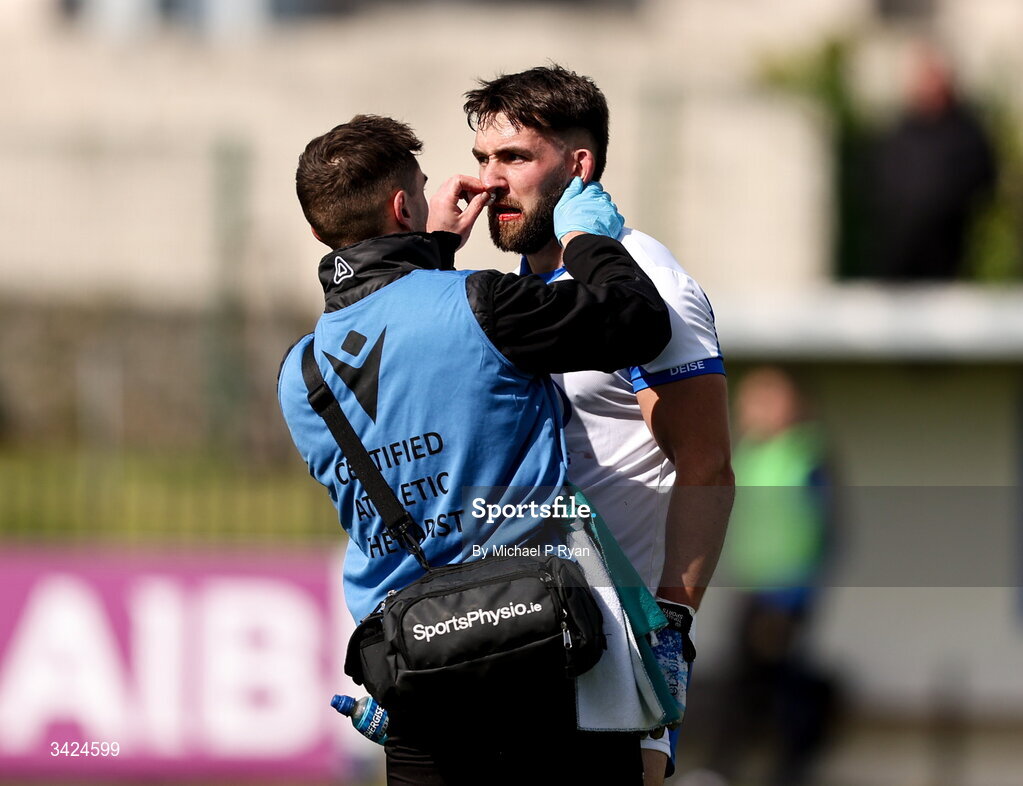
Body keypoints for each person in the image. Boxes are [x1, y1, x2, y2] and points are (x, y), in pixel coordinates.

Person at [276, 114, 672, 785]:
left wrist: (427, 250)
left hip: (416, 683)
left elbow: (400, 357)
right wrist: (586, 237)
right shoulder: (479, 302)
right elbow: (637, 320)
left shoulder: (299, 372)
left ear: (318, 233)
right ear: (404, 205)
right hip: (549, 659)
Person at [463, 65, 735, 786]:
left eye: (515, 158)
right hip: (515, 634)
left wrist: (669, 625)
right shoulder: (513, 289)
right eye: (482, 160)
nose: (491, 181)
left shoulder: (649, 284)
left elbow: (705, 463)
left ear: (578, 165)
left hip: (613, 650)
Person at [684, 366, 837, 786]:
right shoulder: (748, 452)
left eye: (764, 399)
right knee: (747, 682)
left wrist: (791, 601)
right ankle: (724, 769)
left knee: (777, 687)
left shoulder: (808, 454)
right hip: (752, 589)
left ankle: (784, 770)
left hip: (784, 595)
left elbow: (826, 533)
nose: (750, 408)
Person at [869, 43, 997, 280]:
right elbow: (883, 182)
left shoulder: (967, 131)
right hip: (901, 257)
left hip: (950, 255)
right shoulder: (900, 131)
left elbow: (982, 182)